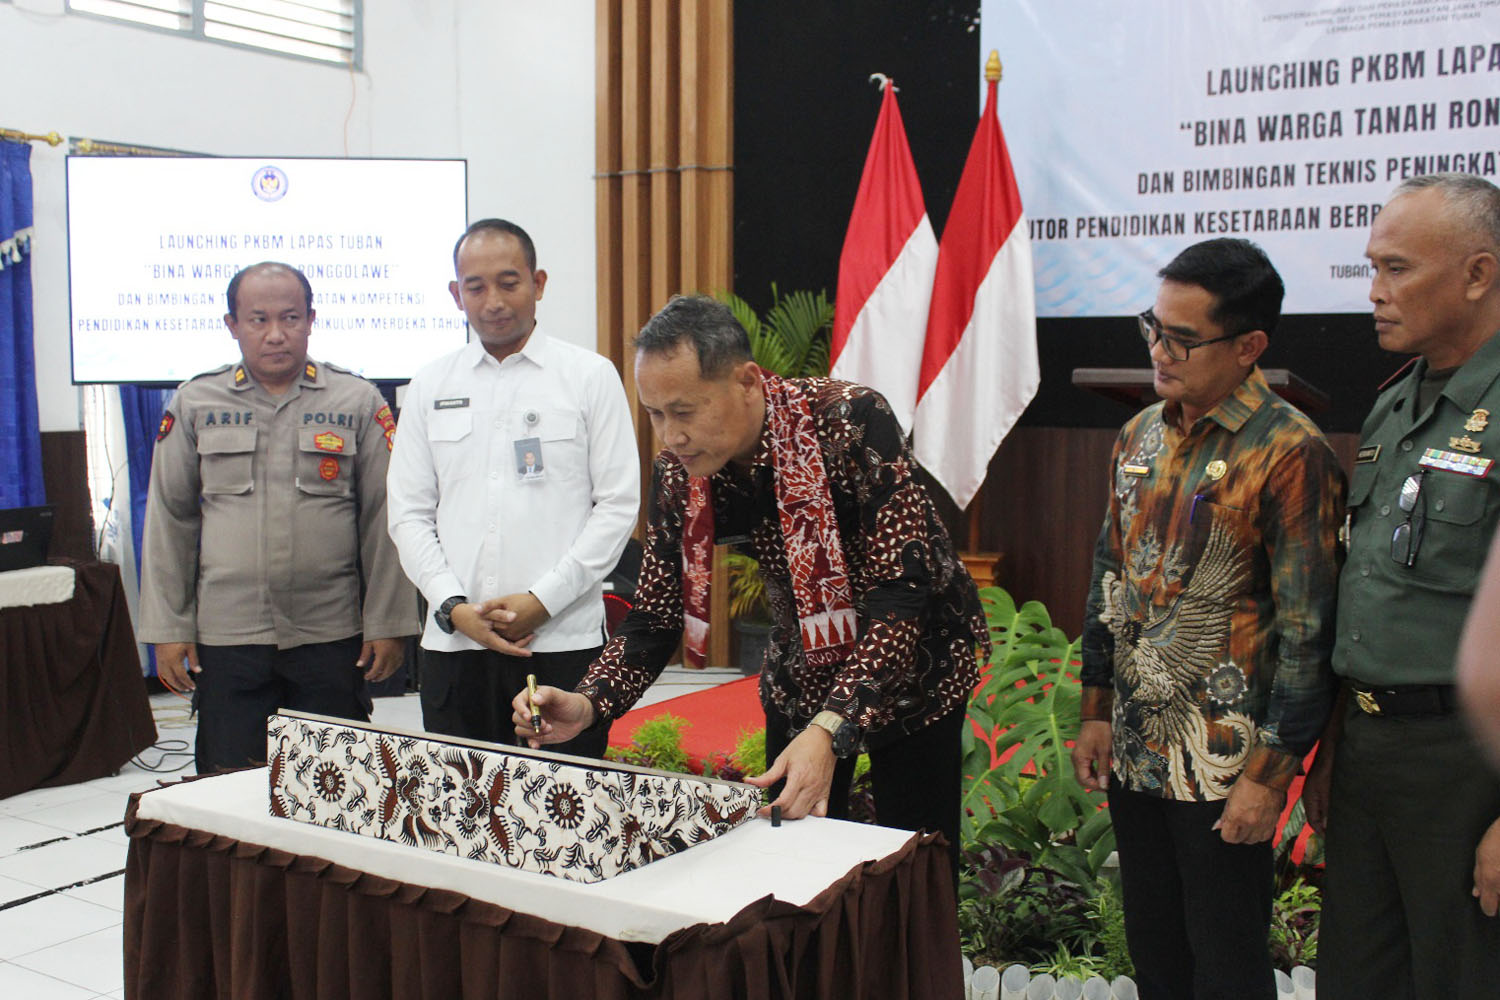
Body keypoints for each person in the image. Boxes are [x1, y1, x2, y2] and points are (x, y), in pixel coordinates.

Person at [513, 293, 989, 868]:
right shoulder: (679, 474)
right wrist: (589, 701)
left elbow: (903, 592)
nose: (670, 437)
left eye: (684, 411)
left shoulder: (850, 420)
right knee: (793, 865)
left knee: (915, 868)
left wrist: (831, 727)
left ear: (746, 381)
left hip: (915, 663)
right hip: (803, 668)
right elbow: (656, 616)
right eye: (656, 414)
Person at [1071, 238, 1345, 999]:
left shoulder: (1290, 452)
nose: (1160, 352)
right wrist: (1095, 708)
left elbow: (1309, 633)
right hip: (1136, 748)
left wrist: (1270, 776)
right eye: (1153, 328)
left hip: (1224, 766)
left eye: (1183, 339)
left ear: (1249, 346)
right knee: (1155, 953)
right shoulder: (1139, 434)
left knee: (1226, 965)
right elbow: (1109, 576)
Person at [1303, 173, 1500, 999]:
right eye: (1371, 267)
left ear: (1478, 274)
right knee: (1357, 978)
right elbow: (1371, 589)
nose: (1374, 293)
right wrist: (1334, 745)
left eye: (1397, 268)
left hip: (1470, 761)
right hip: (1370, 752)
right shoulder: (1395, 404)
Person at [138, 261, 417, 773]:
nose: (275, 334)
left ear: (311, 320)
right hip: (228, 634)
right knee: (229, 786)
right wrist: (169, 627)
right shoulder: (196, 401)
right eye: (258, 319)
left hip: (330, 632)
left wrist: (388, 622)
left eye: (290, 318)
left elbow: (384, 519)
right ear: (232, 325)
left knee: (336, 785)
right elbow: (170, 521)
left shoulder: (356, 401)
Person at [386, 219, 639, 755]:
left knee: (565, 798)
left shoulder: (589, 376)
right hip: (455, 644)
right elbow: (408, 513)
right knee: (461, 797)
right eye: (475, 287)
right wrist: (453, 606)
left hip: (563, 641)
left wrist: (542, 601)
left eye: (509, 282)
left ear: (538, 283)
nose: (494, 301)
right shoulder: (430, 384)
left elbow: (618, 506)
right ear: (456, 294)